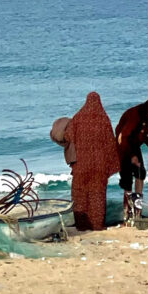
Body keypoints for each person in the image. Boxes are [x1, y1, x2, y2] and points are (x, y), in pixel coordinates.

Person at [50, 92, 119, 231]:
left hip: (81, 165)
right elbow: (111, 143)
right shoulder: (104, 119)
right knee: (97, 195)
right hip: (99, 167)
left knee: (80, 194)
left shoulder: (78, 119)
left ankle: (82, 225)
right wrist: (112, 163)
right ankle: (97, 225)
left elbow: (67, 137)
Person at [115, 96, 148, 222]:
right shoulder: (134, 115)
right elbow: (124, 137)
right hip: (123, 146)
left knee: (140, 174)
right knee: (127, 179)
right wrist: (132, 156)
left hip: (134, 145)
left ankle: (137, 212)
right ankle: (127, 214)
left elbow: (147, 135)